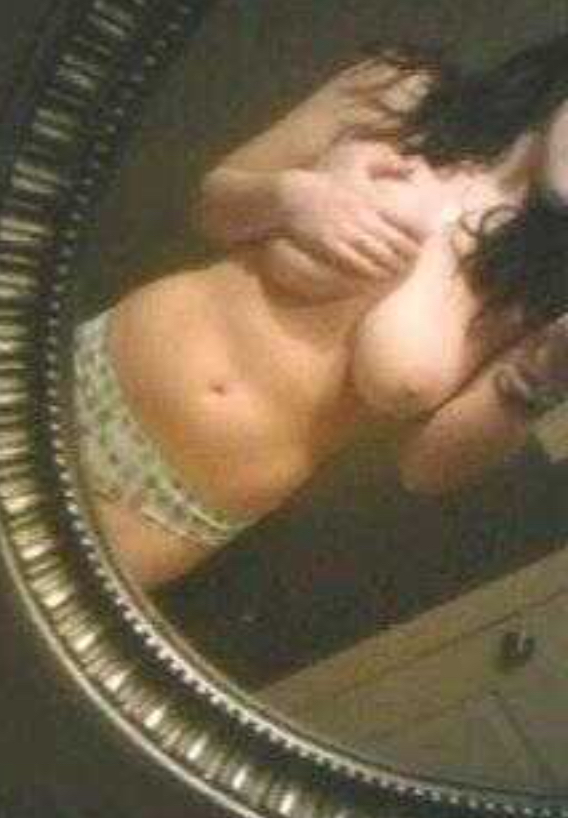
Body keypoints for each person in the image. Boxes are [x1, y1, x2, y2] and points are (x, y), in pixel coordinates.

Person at [75, 35, 568, 591]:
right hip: (93, 375)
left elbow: (426, 470)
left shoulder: (539, 293)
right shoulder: (407, 92)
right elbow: (213, 204)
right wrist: (291, 197)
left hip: (174, 509)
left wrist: (542, 376)